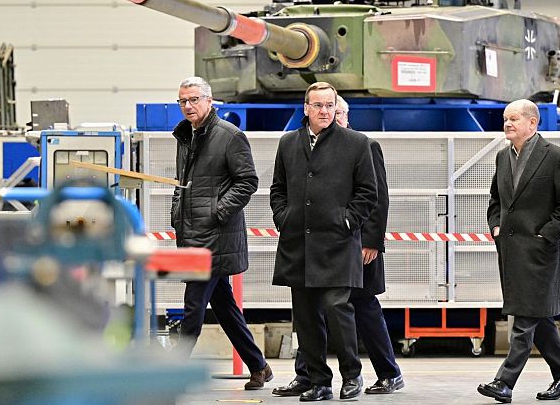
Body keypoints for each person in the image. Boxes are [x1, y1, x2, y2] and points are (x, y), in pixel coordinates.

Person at [272, 96, 404, 398]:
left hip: (352, 244)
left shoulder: (362, 145)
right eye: (320, 107)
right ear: (307, 109)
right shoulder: (296, 143)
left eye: (335, 109)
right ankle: (310, 377)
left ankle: (387, 373)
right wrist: (285, 218)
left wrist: (368, 238)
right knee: (309, 312)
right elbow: (282, 188)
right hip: (307, 243)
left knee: (358, 308)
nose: (329, 114)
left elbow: (376, 197)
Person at [170, 76, 273, 390]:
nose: (188, 106)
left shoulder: (229, 136)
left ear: (209, 100)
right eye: (183, 101)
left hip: (214, 238)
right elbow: (184, 184)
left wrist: (217, 212)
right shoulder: (185, 135)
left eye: (194, 99)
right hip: (192, 235)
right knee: (225, 307)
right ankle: (259, 366)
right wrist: (178, 212)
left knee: (192, 310)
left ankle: (171, 374)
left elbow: (247, 181)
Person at [477, 99, 560, 403]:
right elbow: (496, 200)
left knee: (524, 319)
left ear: (532, 124)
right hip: (510, 250)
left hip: (538, 253)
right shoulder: (502, 157)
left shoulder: (556, 158)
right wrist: (495, 227)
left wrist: (544, 235)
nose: (508, 124)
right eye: (506, 119)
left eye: (514, 119)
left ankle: (504, 382)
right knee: (539, 318)